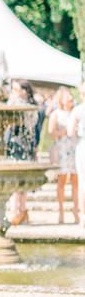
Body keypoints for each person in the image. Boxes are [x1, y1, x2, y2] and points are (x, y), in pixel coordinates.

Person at [6, 79, 45, 225]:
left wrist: (35, 147)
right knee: (16, 180)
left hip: (22, 145)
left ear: (24, 91)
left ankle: (18, 211)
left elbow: (36, 130)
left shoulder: (30, 108)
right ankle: (19, 210)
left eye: (16, 90)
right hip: (18, 145)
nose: (14, 93)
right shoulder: (23, 106)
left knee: (21, 180)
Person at [49, 87, 79, 224]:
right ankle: (61, 211)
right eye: (68, 98)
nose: (70, 100)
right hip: (62, 149)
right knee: (61, 181)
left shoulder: (76, 112)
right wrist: (63, 132)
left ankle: (76, 210)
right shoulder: (56, 114)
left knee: (75, 181)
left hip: (75, 148)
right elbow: (51, 132)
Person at [68, 82, 85, 229]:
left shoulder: (78, 110)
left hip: (82, 145)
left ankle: (83, 216)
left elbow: (70, 132)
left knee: (82, 182)